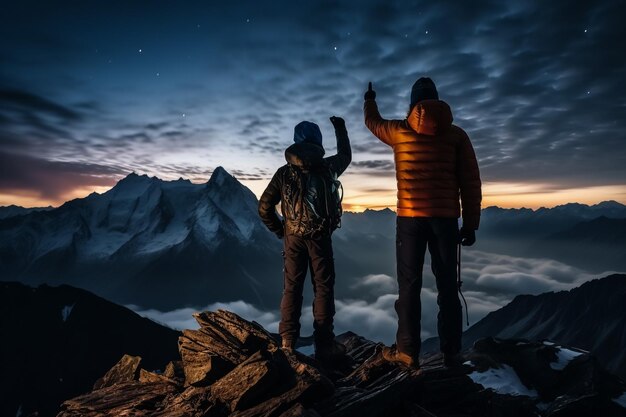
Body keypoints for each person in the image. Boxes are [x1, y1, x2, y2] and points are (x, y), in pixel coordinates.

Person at [363, 78, 481, 369]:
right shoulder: (457, 136)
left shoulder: (399, 132)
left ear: (413, 104)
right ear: (438, 101)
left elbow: (372, 122)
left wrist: (369, 99)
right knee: (448, 289)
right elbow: (470, 182)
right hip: (445, 222)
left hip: (410, 221)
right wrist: (471, 224)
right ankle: (451, 354)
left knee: (409, 287)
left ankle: (407, 353)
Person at [258, 116, 351, 362]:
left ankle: (287, 342)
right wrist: (340, 127)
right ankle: (324, 345)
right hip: (320, 236)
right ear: (318, 143)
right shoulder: (328, 167)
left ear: (295, 142)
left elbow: (264, 208)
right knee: (323, 288)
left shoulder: (283, 173)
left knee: (292, 287)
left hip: (293, 238)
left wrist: (281, 231)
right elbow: (346, 154)